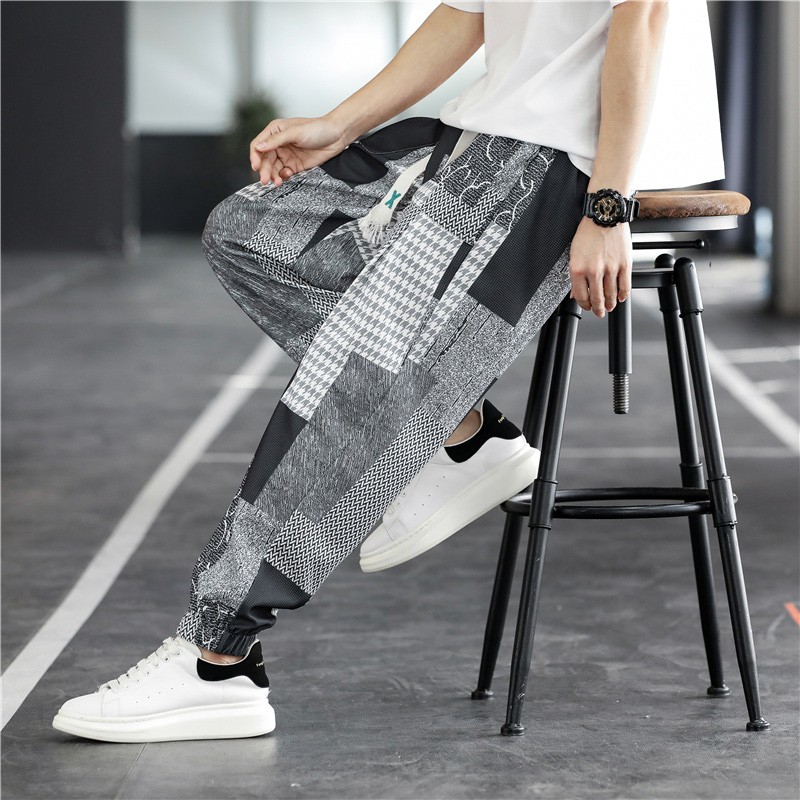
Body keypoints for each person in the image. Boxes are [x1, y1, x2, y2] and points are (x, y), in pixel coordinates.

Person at [53, 0, 723, 743]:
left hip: (558, 161)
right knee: (249, 232)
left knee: (350, 385)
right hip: (477, 136)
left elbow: (645, 16)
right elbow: (467, 14)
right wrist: (338, 126)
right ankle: (459, 432)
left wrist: (609, 204)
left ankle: (216, 658)